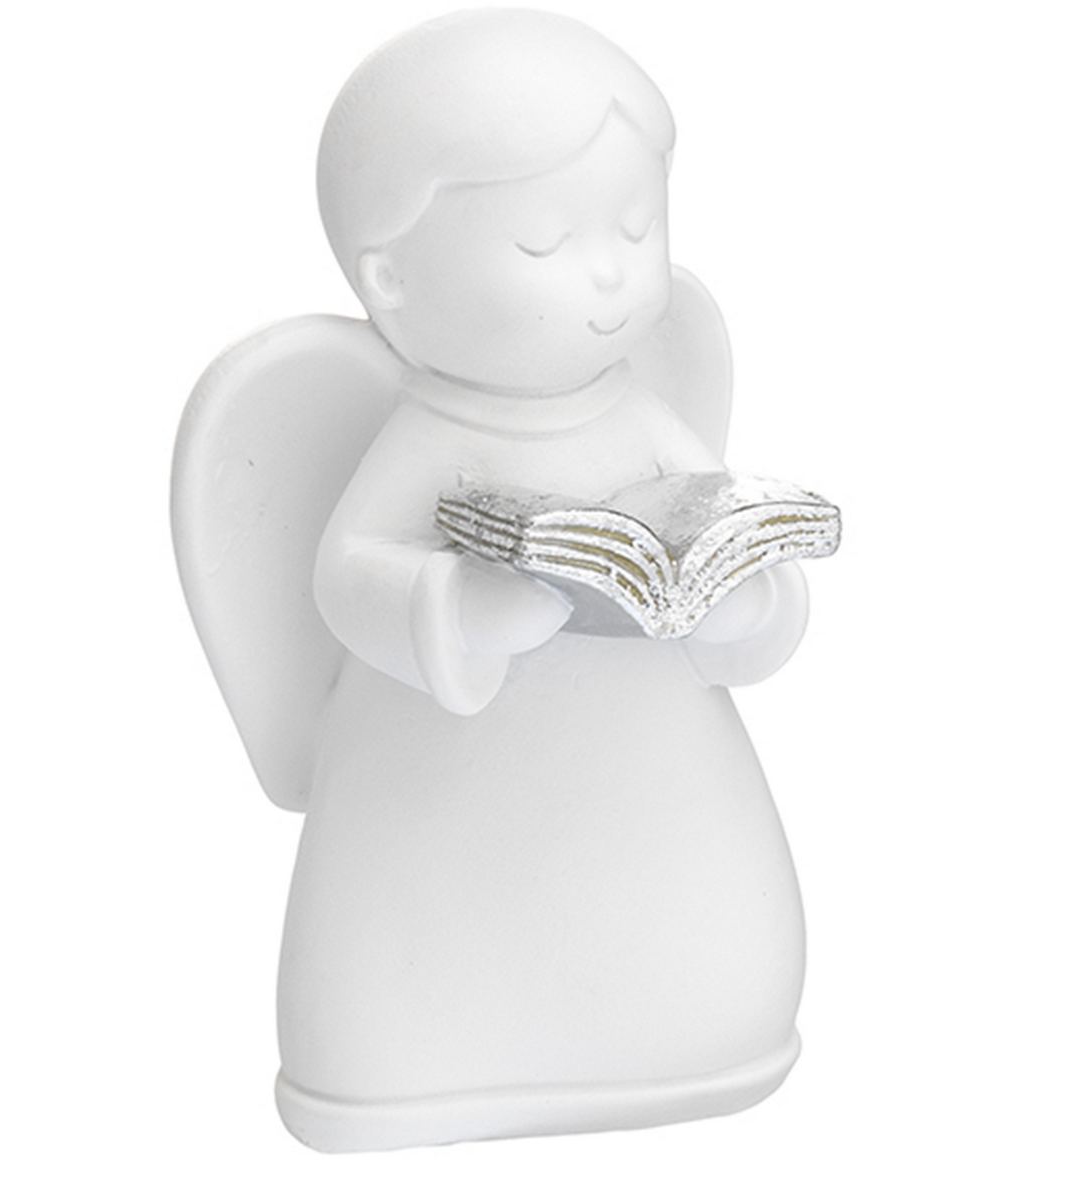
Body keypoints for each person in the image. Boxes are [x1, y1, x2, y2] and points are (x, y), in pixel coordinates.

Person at [270, 10, 812, 1151]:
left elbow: (707, 517)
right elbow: (345, 576)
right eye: (542, 243)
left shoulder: (642, 414)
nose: (611, 271)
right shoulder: (424, 437)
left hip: (653, 775)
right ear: (391, 281)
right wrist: (455, 608)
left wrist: (741, 594)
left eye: (637, 225)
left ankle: (698, 1038)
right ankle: (410, 1069)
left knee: (693, 918)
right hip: (440, 783)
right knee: (413, 951)